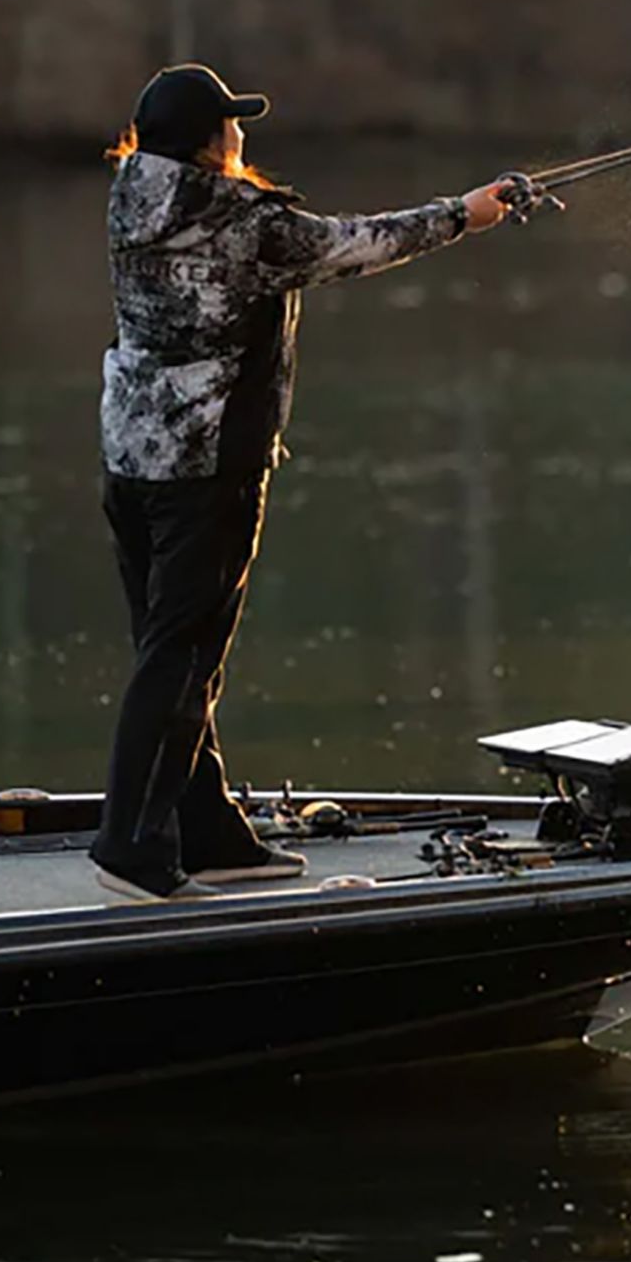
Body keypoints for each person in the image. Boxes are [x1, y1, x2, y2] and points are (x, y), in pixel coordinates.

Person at [91, 62, 558, 901]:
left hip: (131, 457)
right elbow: (352, 245)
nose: (241, 133)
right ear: (208, 140)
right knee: (183, 655)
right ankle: (129, 848)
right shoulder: (241, 220)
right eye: (230, 123)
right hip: (209, 463)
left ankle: (207, 834)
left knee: (172, 652)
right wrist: (466, 213)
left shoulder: (130, 196)